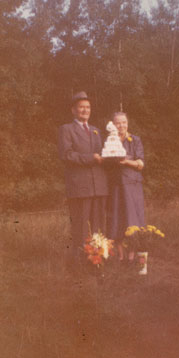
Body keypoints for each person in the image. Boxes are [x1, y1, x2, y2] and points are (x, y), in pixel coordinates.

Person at [58, 91, 108, 265]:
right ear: (73, 110)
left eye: (87, 107)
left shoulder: (96, 131)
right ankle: (78, 263)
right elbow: (66, 155)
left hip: (98, 186)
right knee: (80, 227)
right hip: (80, 188)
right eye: (81, 107)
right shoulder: (66, 129)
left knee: (98, 226)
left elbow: (103, 154)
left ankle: (97, 260)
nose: (85, 110)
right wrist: (91, 158)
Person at [106, 112, 145, 263]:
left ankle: (132, 254)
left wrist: (127, 162)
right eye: (118, 123)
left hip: (132, 186)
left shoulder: (135, 140)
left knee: (133, 219)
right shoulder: (110, 140)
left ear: (127, 123)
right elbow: (107, 164)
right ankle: (121, 255)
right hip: (116, 186)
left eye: (124, 122)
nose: (121, 126)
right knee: (117, 220)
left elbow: (141, 164)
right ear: (113, 125)